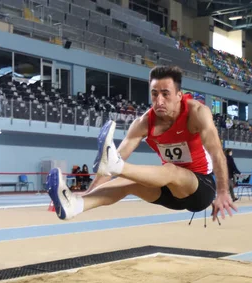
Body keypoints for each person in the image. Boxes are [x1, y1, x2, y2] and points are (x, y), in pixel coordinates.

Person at [46, 65, 237, 223]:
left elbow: (217, 152)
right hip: (171, 191)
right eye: (154, 94)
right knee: (125, 181)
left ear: (179, 95)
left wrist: (222, 191)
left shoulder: (197, 113)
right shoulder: (143, 123)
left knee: (170, 170)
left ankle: (119, 165)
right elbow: (107, 165)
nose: (159, 100)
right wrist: (89, 193)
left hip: (202, 188)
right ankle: (75, 206)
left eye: (165, 94)